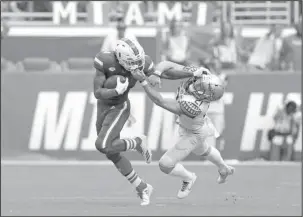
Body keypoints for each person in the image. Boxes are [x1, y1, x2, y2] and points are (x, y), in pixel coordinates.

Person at [131, 62, 235, 199]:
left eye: (201, 87)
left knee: (165, 164)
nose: (196, 85)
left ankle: (188, 178)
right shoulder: (201, 75)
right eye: (200, 83)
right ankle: (224, 168)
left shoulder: (193, 106)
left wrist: (143, 81)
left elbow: (160, 101)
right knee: (203, 150)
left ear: (207, 96)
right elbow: (166, 64)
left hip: (193, 133)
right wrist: (157, 73)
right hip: (195, 126)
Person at [93, 38, 154, 206]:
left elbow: (157, 76)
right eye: (131, 62)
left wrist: (149, 79)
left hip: (120, 106)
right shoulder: (105, 61)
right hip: (104, 106)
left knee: (103, 145)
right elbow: (97, 92)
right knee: (111, 152)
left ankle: (136, 142)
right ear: (120, 57)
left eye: (138, 61)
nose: (136, 65)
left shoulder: (144, 63)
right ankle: (142, 187)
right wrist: (114, 90)